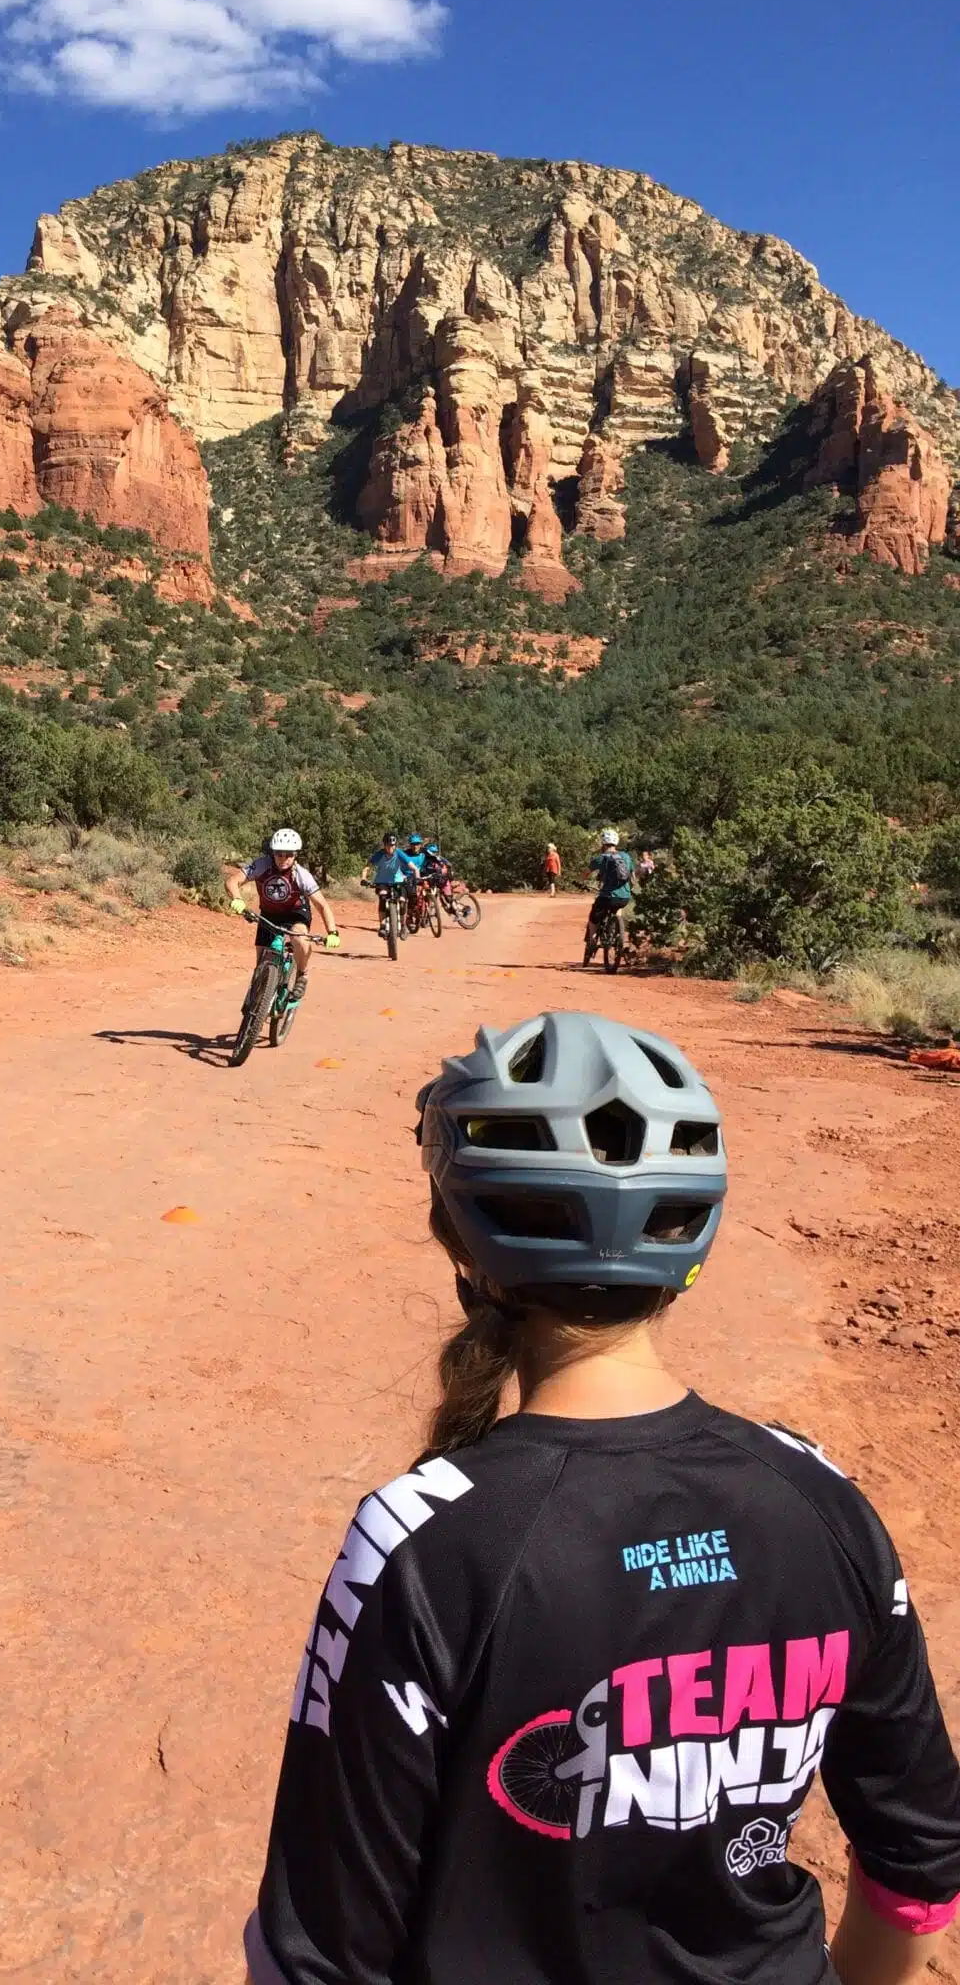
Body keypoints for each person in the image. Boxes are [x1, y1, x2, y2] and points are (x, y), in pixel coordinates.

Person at [245, 1010, 960, 1985]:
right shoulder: (823, 1504)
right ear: (690, 1240)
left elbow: (322, 1949)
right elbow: (917, 1870)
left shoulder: (422, 1541)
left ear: (462, 1249)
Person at [225, 828, 339, 1002]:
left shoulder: (302, 876)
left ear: (295, 855)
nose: (284, 858)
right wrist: (237, 899)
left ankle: (302, 974)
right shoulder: (262, 865)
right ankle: (258, 1003)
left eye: (289, 854)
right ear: (273, 853)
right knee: (260, 965)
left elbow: (322, 905)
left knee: (299, 937)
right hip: (269, 913)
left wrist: (332, 932)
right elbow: (232, 881)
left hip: (296, 913)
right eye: (279, 854)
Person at [587, 826, 634, 952]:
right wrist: (628, 889)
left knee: (593, 916)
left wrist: (580, 881)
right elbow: (632, 877)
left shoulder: (601, 858)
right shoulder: (626, 856)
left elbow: (585, 873)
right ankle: (617, 933)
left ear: (603, 843)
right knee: (617, 909)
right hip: (624, 897)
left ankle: (591, 941)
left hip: (607, 896)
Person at [365, 832, 418, 938]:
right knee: (383, 896)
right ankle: (382, 926)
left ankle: (403, 926)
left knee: (402, 901)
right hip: (382, 882)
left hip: (398, 881)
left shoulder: (399, 853)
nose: (390, 848)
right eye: (388, 845)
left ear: (395, 845)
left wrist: (417, 878)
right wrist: (363, 878)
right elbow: (367, 867)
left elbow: (414, 868)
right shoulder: (380, 854)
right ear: (384, 845)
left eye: (392, 845)